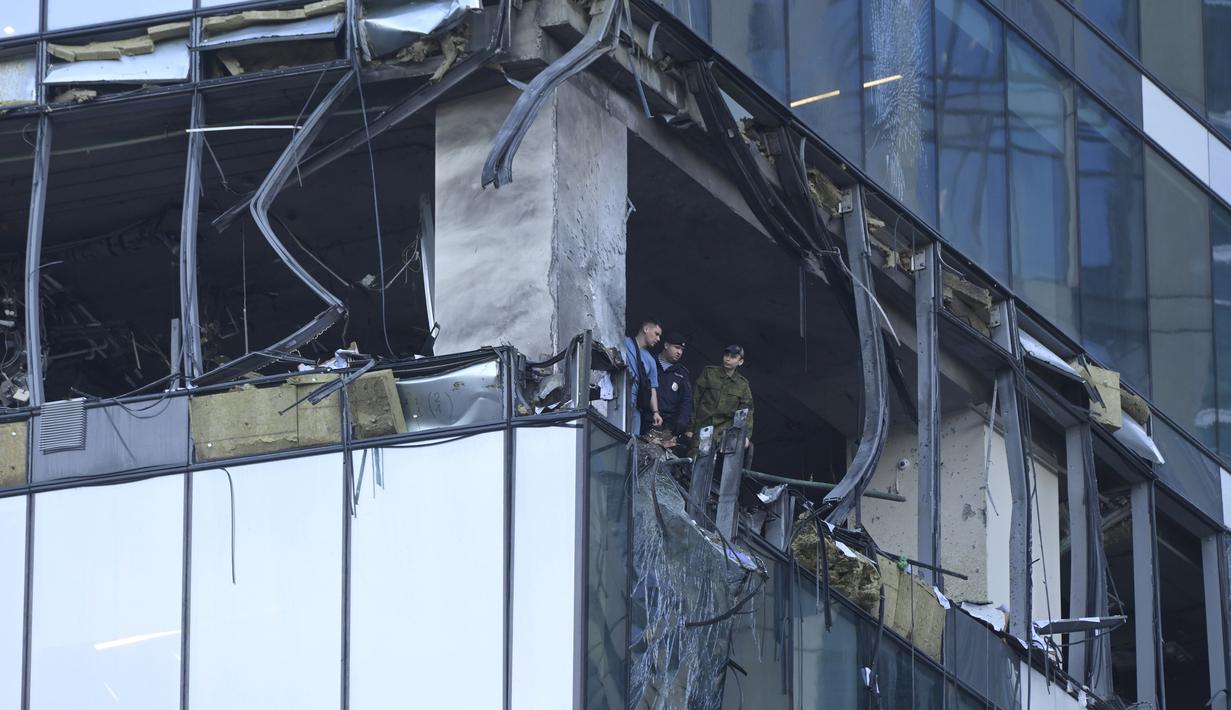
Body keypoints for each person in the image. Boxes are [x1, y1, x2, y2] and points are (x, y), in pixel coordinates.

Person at [689, 344, 754, 453]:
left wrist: (745, 436)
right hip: (702, 429)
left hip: (723, 435)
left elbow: (746, 412)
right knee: (695, 461)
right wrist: (690, 428)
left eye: (733, 357)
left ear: (740, 362)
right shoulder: (709, 373)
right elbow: (694, 400)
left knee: (719, 465)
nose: (728, 359)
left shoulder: (742, 385)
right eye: (726, 355)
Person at [625, 319, 663, 435]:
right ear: (646, 329)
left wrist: (656, 412)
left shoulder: (651, 360)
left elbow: (652, 387)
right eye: (656, 334)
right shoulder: (623, 342)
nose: (658, 339)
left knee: (631, 442)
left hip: (635, 405)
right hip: (616, 396)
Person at [655, 331, 693, 439]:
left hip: (666, 425)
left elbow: (687, 400)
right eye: (676, 347)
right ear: (666, 345)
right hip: (646, 417)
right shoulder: (651, 362)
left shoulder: (682, 373)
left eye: (682, 350)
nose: (679, 352)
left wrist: (681, 424)